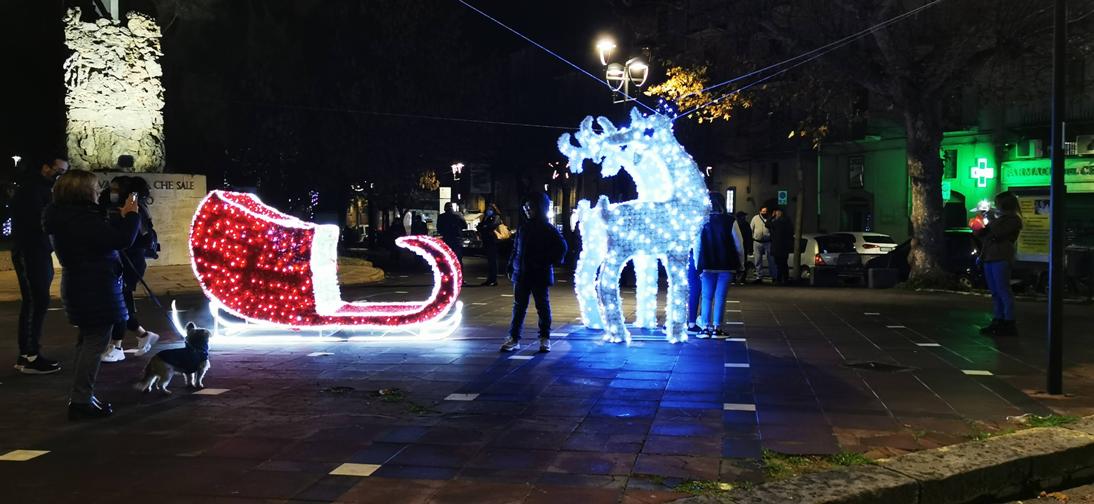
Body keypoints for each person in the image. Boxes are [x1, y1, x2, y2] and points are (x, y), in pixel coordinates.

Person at [43, 170, 140, 420]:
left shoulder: (66, 217)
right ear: (83, 191)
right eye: (96, 187)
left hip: (82, 284)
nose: (100, 191)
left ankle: (82, 396)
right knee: (95, 343)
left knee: (86, 341)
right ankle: (81, 400)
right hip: (95, 286)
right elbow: (120, 240)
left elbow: (104, 240)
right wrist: (131, 217)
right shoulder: (81, 220)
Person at [10, 156, 68, 374]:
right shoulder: (33, 190)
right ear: (45, 167)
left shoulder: (42, 189)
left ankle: (27, 354)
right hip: (31, 251)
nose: (60, 175)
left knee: (36, 302)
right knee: (36, 301)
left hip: (38, 251)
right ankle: (30, 356)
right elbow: (40, 221)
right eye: (58, 170)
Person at [101, 176, 160, 363]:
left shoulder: (137, 209)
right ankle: (143, 335)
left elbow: (141, 238)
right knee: (121, 302)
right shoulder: (112, 208)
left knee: (121, 303)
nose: (113, 192)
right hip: (117, 261)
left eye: (116, 189)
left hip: (130, 262)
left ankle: (116, 345)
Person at [501, 192, 567, 353]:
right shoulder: (524, 227)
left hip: (538, 275)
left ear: (540, 208)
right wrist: (511, 266)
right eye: (525, 207)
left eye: (530, 207)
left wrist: (543, 261)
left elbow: (562, 248)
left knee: (542, 307)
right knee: (519, 308)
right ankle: (514, 338)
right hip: (521, 274)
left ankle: (544, 338)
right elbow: (516, 249)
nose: (527, 210)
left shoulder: (547, 228)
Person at [973, 192, 1023, 337]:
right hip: (990, 257)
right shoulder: (999, 219)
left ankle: (1009, 322)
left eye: (997, 203)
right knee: (995, 292)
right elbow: (985, 236)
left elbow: (999, 232)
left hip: (1001, 257)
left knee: (1003, 290)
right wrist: (978, 228)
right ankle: (998, 319)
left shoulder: (1013, 220)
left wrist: (990, 218)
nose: (995, 206)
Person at [694, 192, 744, 337]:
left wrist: (698, 265)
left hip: (707, 264)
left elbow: (697, 245)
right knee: (720, 297)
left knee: (707, 296)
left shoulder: (702, 221)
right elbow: (739, 245)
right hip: (726, 265)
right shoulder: (730, 221)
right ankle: (717, 328)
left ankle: (705, 327)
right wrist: (741, 264)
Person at [477, 203, 502, 286]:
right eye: (488, 209)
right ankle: (490, 279)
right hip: (487, 240)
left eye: (490, 209)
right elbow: (482, 226)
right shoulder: (485, 217)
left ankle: (493, 279)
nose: (489, 211)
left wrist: (485, 226)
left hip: (492, 240)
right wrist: (481, 227)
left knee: (493, 261)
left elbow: (493, 225)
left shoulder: (496, 217)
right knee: (490, 261)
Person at [769, 208, 794, 284]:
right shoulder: (788, 222)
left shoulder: (778, 222)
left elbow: (767, 224)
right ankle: (785, 278)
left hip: (778, 246)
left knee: (779, 263)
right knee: (783, 263)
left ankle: (779, 279)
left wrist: (772, 217)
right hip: (785, 247)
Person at [750, 207, 773, 283]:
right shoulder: (755, 218)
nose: (764, 212)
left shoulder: (770, 218)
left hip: (767, 241)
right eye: (763, 211)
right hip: (757, 241)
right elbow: (751, 228)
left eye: (766, 211)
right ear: (760, 211)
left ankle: (773, 276)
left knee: (771, 259)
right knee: (757, 259)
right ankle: (759, 276)